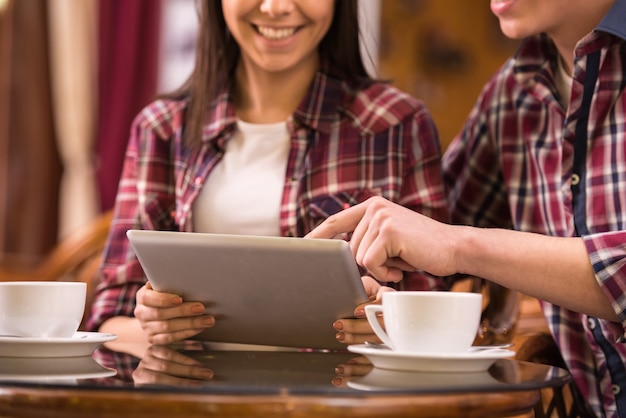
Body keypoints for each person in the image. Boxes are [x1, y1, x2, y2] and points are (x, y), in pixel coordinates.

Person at [308, 0, 626, 416]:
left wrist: (458, 244)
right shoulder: (514, 93)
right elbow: (424, 237)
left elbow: (449, 241)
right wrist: (364, 281)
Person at [86, 0, 448, 347]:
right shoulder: (161, 128)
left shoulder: (396, 123)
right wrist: (151, 326)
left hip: (341, 403)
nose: (275, 7)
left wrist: (393, 320)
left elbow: (437, 309)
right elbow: (110, 315)